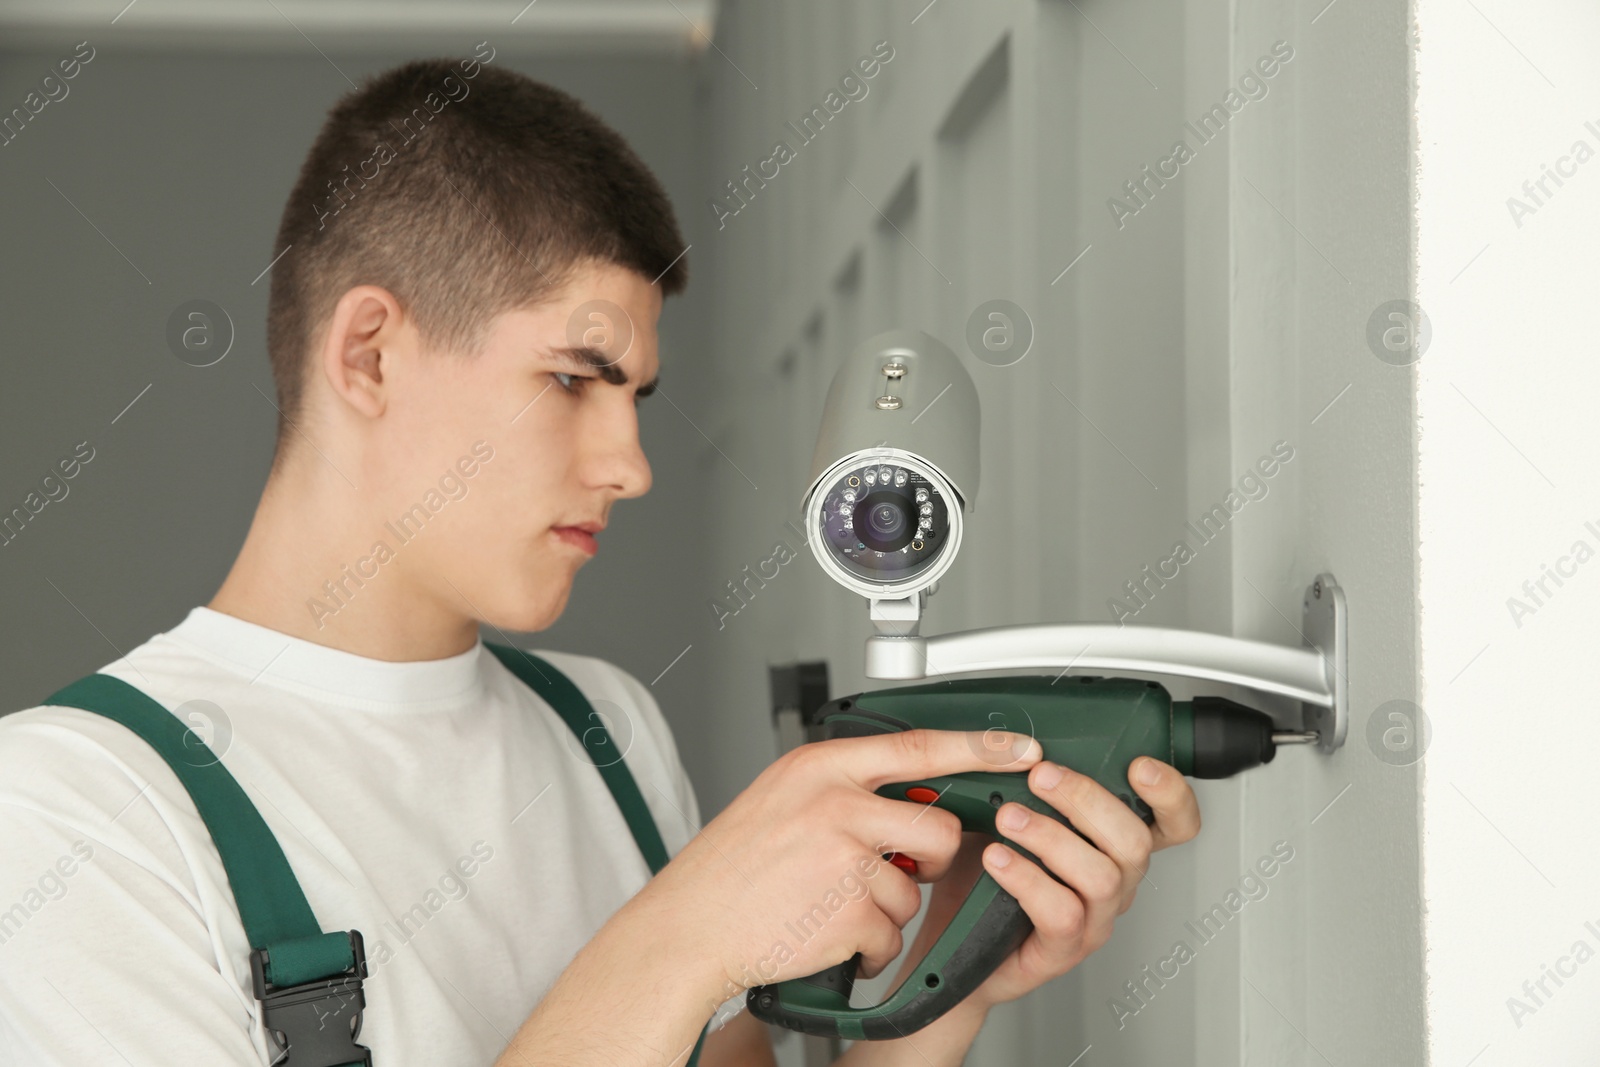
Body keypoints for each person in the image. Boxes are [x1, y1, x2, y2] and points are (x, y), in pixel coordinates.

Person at [0, 54, 1201, 1067]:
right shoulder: (73, 813)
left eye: (636, 397)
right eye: (574, 378)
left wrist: (940, 987)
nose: (630, 464)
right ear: (368, 353)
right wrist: (679, 939)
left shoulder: (606, 729)